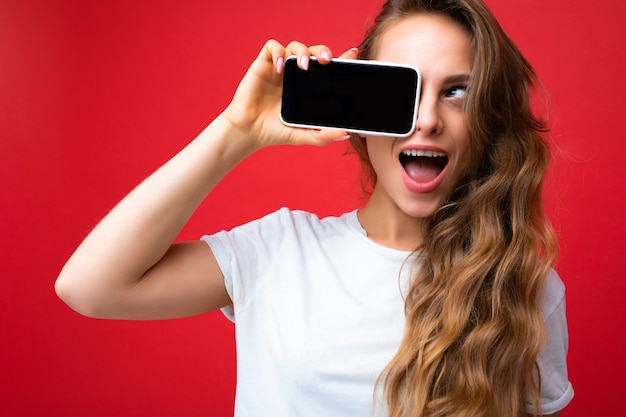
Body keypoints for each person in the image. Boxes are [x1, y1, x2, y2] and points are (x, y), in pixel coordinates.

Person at [55, 0, 574, 415]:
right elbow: (90, 286)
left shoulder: (524, 288)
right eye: (404, 89)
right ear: (360, 111)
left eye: (458, 91)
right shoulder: (280, 251)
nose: (429, 119)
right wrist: (238, 132)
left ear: (488, 119)